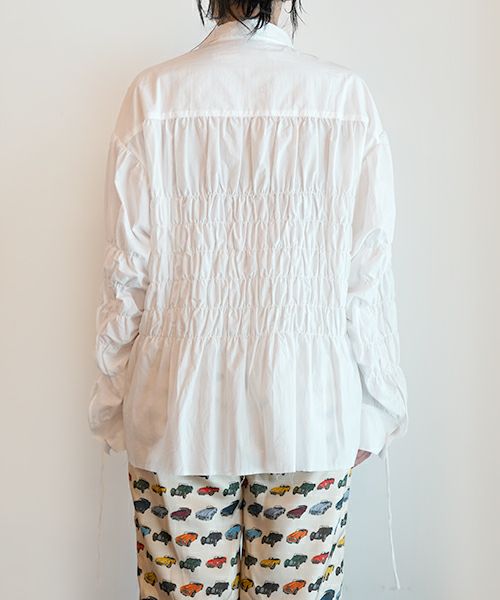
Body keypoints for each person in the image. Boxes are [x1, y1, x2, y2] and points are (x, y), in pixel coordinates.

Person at [88, 1, 409, 597]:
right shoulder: (345, 100)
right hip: (310, 412)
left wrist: (113, 404)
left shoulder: (153, 97)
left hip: (175, 410)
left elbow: (127, 275)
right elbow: (366, 276)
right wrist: (374, 407)